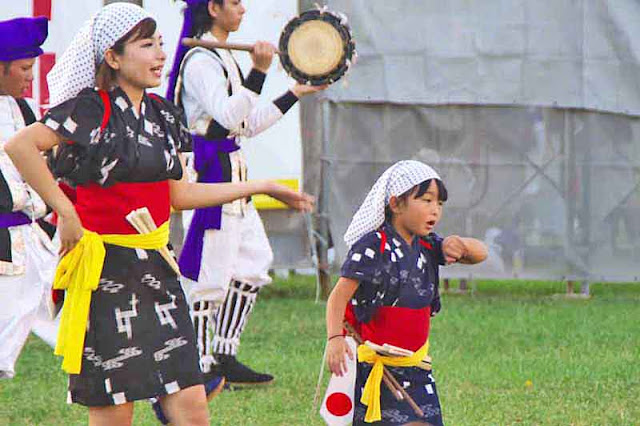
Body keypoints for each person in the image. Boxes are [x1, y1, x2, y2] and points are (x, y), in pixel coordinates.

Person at [5, 4, 312, 425]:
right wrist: (65, 211)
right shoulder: (88, 110)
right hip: (105, 274)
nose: (160, 55)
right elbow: (20, 146)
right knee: (115, 412)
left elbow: (178, 194)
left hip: (158, 269)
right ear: (113, 57)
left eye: (161, 44)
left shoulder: (165, 115)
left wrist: (260, 187)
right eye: (146, 45)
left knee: (192, 406)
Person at [166, 0, 327, 389]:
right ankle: (199, 366)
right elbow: (227, 116)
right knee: (209, 277)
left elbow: (246, 125)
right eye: (235, 3)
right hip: (210, 177)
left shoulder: (220, 56)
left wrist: (294, 91)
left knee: (254, 263)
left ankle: (223, 353)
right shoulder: (201, 59)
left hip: (232, 173)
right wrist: (259, 70)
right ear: (214, 7)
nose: (243, 9)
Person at [325, 160, 488, 425]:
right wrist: (335, 338)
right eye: (426, 200)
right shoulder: (372, 247)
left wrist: (461, 244)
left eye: (439, 204)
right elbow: (338, 296)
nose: (434, 210)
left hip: (418, 365)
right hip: (377, 365)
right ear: (396, 204)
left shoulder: (430, 245)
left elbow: (481, 254)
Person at [0, 16, 60, 380]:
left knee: (79, 320)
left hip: (35, 241)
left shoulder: (23, 111)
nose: (30, 76)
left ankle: (165, 394)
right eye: (24, 68)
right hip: (5, 247)